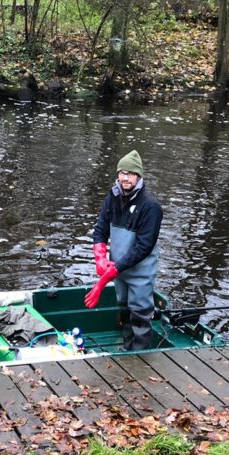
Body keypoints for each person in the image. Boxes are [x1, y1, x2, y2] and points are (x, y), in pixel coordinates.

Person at [85, 150, 164, 350]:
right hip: (119, 270)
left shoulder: (151, 206)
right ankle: (126, 350)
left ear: (138, 176)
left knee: (140, 315)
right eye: (122, 172)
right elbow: (100, 230)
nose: (125, 177)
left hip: (139, 272)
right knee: (124, 312)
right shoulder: (112, 196)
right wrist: (99, 257)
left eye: (130, 173)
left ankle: (139, 357)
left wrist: (110, 272)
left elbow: (144, 247)